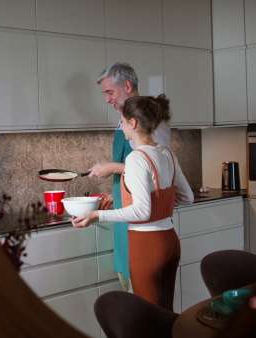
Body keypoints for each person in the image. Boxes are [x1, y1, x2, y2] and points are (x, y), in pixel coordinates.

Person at [73, 95, 193, 310]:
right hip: (170, 241)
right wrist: (159, 197)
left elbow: (141, 212)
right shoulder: (166, 154)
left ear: (133, 123)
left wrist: (96, 215)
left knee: (148, 318)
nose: (121, 127)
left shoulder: (137, 158)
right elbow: (187, 198)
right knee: (166, 312)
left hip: (147, 243)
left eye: (122, 121)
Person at [88, 62, 171, 294]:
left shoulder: (151, 118)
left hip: (143, 220)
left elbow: (159, 165)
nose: (106, 99)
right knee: (129, 282)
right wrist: (120, 194)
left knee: (142, 291)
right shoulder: (124, 116)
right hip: (126, 210)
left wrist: (114, 167)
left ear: (127, 86)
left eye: (109, 92)